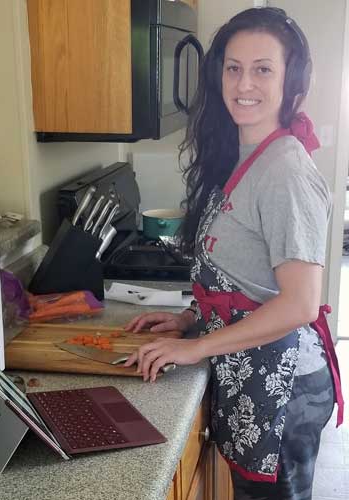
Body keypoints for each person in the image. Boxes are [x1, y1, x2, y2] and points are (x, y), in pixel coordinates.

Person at [124, 7, 344, 500]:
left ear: (291, 83)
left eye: (263, 68)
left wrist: (194, 347)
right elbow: (244, 277)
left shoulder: (285, 170)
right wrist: (189, 319)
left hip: (282, 385)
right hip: (251, 370)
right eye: (233, 67)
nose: (244, 82)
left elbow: (299, 304)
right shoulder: (248, 153)